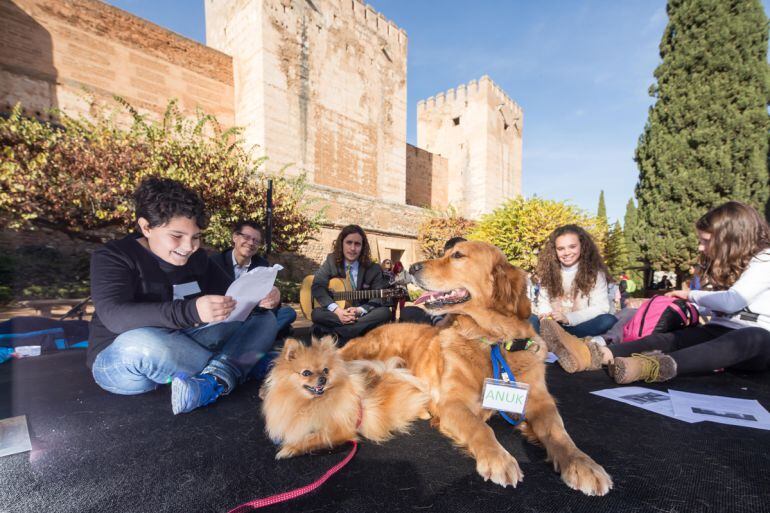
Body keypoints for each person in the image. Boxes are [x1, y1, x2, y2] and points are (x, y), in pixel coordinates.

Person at [87, 178, 278, 414]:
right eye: (177, 235)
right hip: (125, 358)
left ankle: (214, 380)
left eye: (196, 237)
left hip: (186, 344)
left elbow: (235, 294)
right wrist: (192, 310)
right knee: (140, 344)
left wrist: (260, 295)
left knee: (265, 319)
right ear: (146, 227)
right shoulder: (114, 256)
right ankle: (243, 362)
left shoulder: (198, 259)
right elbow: (115, 316)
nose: (189, 246)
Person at [541, 201, 770, 384]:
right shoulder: (729, 264)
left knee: (752, 337)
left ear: (731, 239)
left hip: (756, 343)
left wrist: (689, 295)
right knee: (668, 338)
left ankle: (652, 366)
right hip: (717, 331)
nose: (701, 247)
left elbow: (732, 302)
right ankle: (593, 355)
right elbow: (715, 307)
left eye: (706, 241)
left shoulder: (765, 260)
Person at [209, 220, 296, 339]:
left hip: (252, 315)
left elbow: (270, 301)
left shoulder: (262, 265)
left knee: (289, 313)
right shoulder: (215, 262)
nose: (250, 243)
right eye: (246, 237)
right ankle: (261, 334)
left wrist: (274, 295)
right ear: (235, 237)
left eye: (256, 241)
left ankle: (253, 334)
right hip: (224, 317)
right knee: (270, 322)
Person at [530, 225, 617, 337]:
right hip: (553, 326)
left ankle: (562, 339)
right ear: (554, 251)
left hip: (580, 326)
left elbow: (600, 308)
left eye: (572, 247)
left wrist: (568, 318)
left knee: (608, 320)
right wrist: (545, 315)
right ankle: (555, 337)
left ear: (583, 246)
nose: (566, 252)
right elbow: (543, 302)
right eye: (561, 249)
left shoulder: (595, 274)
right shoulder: (547, 274)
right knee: (529, 318)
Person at [310, 225, 391, 344]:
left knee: (385, 312)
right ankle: (354, 332)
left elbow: (378, 297)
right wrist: (337, 311)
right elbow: (317, 286)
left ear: (362, 247)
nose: (353, 248)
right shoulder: (331, 261)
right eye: (349, 242)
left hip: (360, 315)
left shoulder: (373, 268)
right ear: (341, 243)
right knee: (316, 314)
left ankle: (343, 332)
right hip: (337, 313)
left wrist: (359, 310)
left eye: (357, 244)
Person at [399, 237, 467, 325]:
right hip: (441, 316)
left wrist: (440, 322)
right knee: (407, 311)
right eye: (444, 257)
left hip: (449, 321)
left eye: (457, 256)